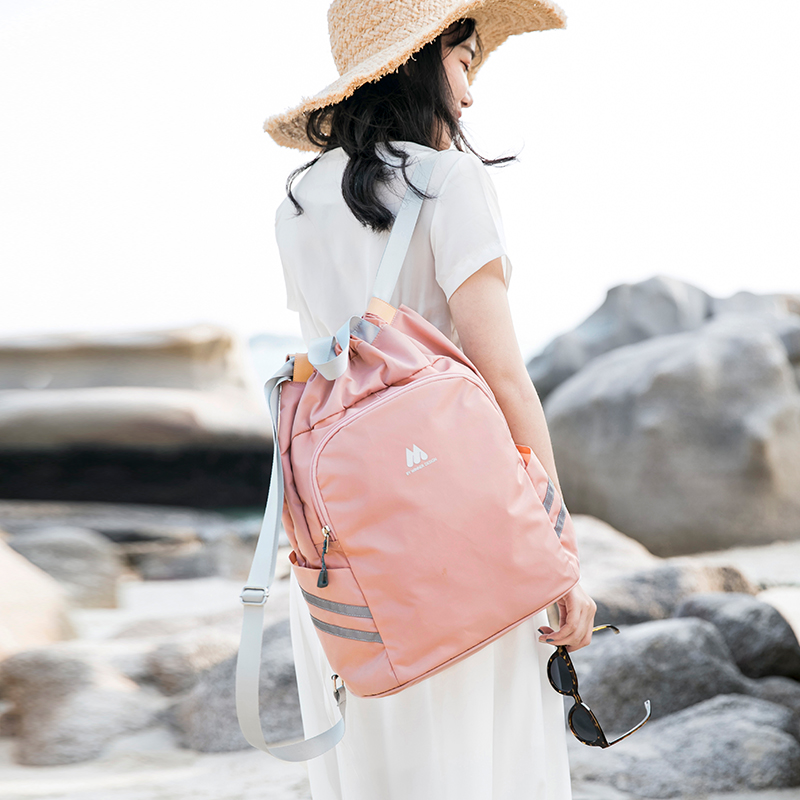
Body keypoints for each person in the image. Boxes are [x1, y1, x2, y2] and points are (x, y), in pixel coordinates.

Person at [265, 2, 596, 797]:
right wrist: (559, 551)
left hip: (350, 555)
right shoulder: (448, 181)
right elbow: (502, 378)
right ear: (418, 62)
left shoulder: (296, 207)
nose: (471, 92)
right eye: (465, 61)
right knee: (489, 767)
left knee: (379, 773)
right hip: (463, 537)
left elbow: (330, 370)